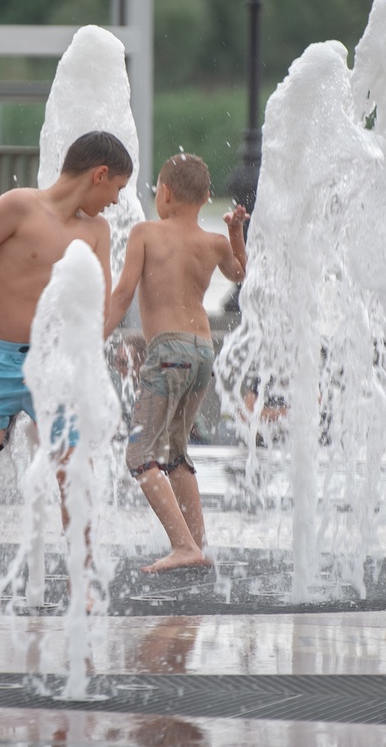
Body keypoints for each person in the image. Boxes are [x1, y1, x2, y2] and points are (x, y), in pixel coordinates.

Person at [0, 130, 133, 611]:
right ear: (99, 175)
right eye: (115, 189)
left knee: (76, 472)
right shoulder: (19, 206)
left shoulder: (96, 231)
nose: (115, 202)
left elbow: (98, 304)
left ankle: (80, 584)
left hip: (59, 363)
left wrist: (102, 348)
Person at [103, 154, 247, 573]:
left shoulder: (145, 233)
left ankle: (183, 544)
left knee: (139, 456)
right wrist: (235, 231)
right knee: (175, 452)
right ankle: (198, 545)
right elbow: (239, 273)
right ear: (205, 198)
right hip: (203, 353)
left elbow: (124, 292)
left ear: (163, 194)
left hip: (168, 354)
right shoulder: (214, 242)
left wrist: (97, 336)